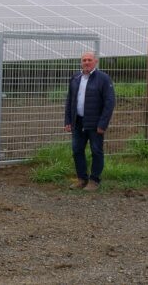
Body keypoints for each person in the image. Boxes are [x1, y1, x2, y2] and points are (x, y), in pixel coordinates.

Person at [64, 51, 116, 191]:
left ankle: (94, 180)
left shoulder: (103, 79)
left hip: (95, 123)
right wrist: (68, 120)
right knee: (77, 150)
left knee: (96, 151)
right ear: (81, 62)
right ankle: (82, 179)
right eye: (84, 60)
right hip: (78, 121)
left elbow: (110, 102)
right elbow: (70, 100)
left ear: (95, 62)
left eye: (89, 60)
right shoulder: (76, 78)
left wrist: (102, 124)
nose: (86, 62)